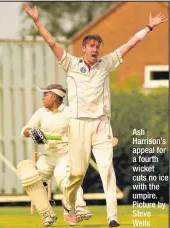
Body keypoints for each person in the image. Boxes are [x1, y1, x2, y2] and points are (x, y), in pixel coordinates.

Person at [22, 4, 167, 227]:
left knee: (107, 170)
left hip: (101, 124)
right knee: (76, 175)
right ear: (83, 48)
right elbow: (51, 43)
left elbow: (129, 45)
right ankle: (69, 204)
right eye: (91, 46)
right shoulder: (71, 64)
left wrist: (148, 27)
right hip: (78, 125)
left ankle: (113, 217)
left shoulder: (106, 64)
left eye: (98, 46)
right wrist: (36, 22)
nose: (95, 50)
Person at [18, 84, 92, 227]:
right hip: (48, 156)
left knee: (63, 176)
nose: (43, 97)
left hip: (66, 154)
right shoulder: (41, 112)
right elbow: (24, 131)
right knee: (30, 179)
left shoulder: (69, 113)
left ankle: (79, 207)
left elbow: (82, 132)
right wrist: (33, 132)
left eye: (45, 94)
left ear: (54, 96)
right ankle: (47, 215)